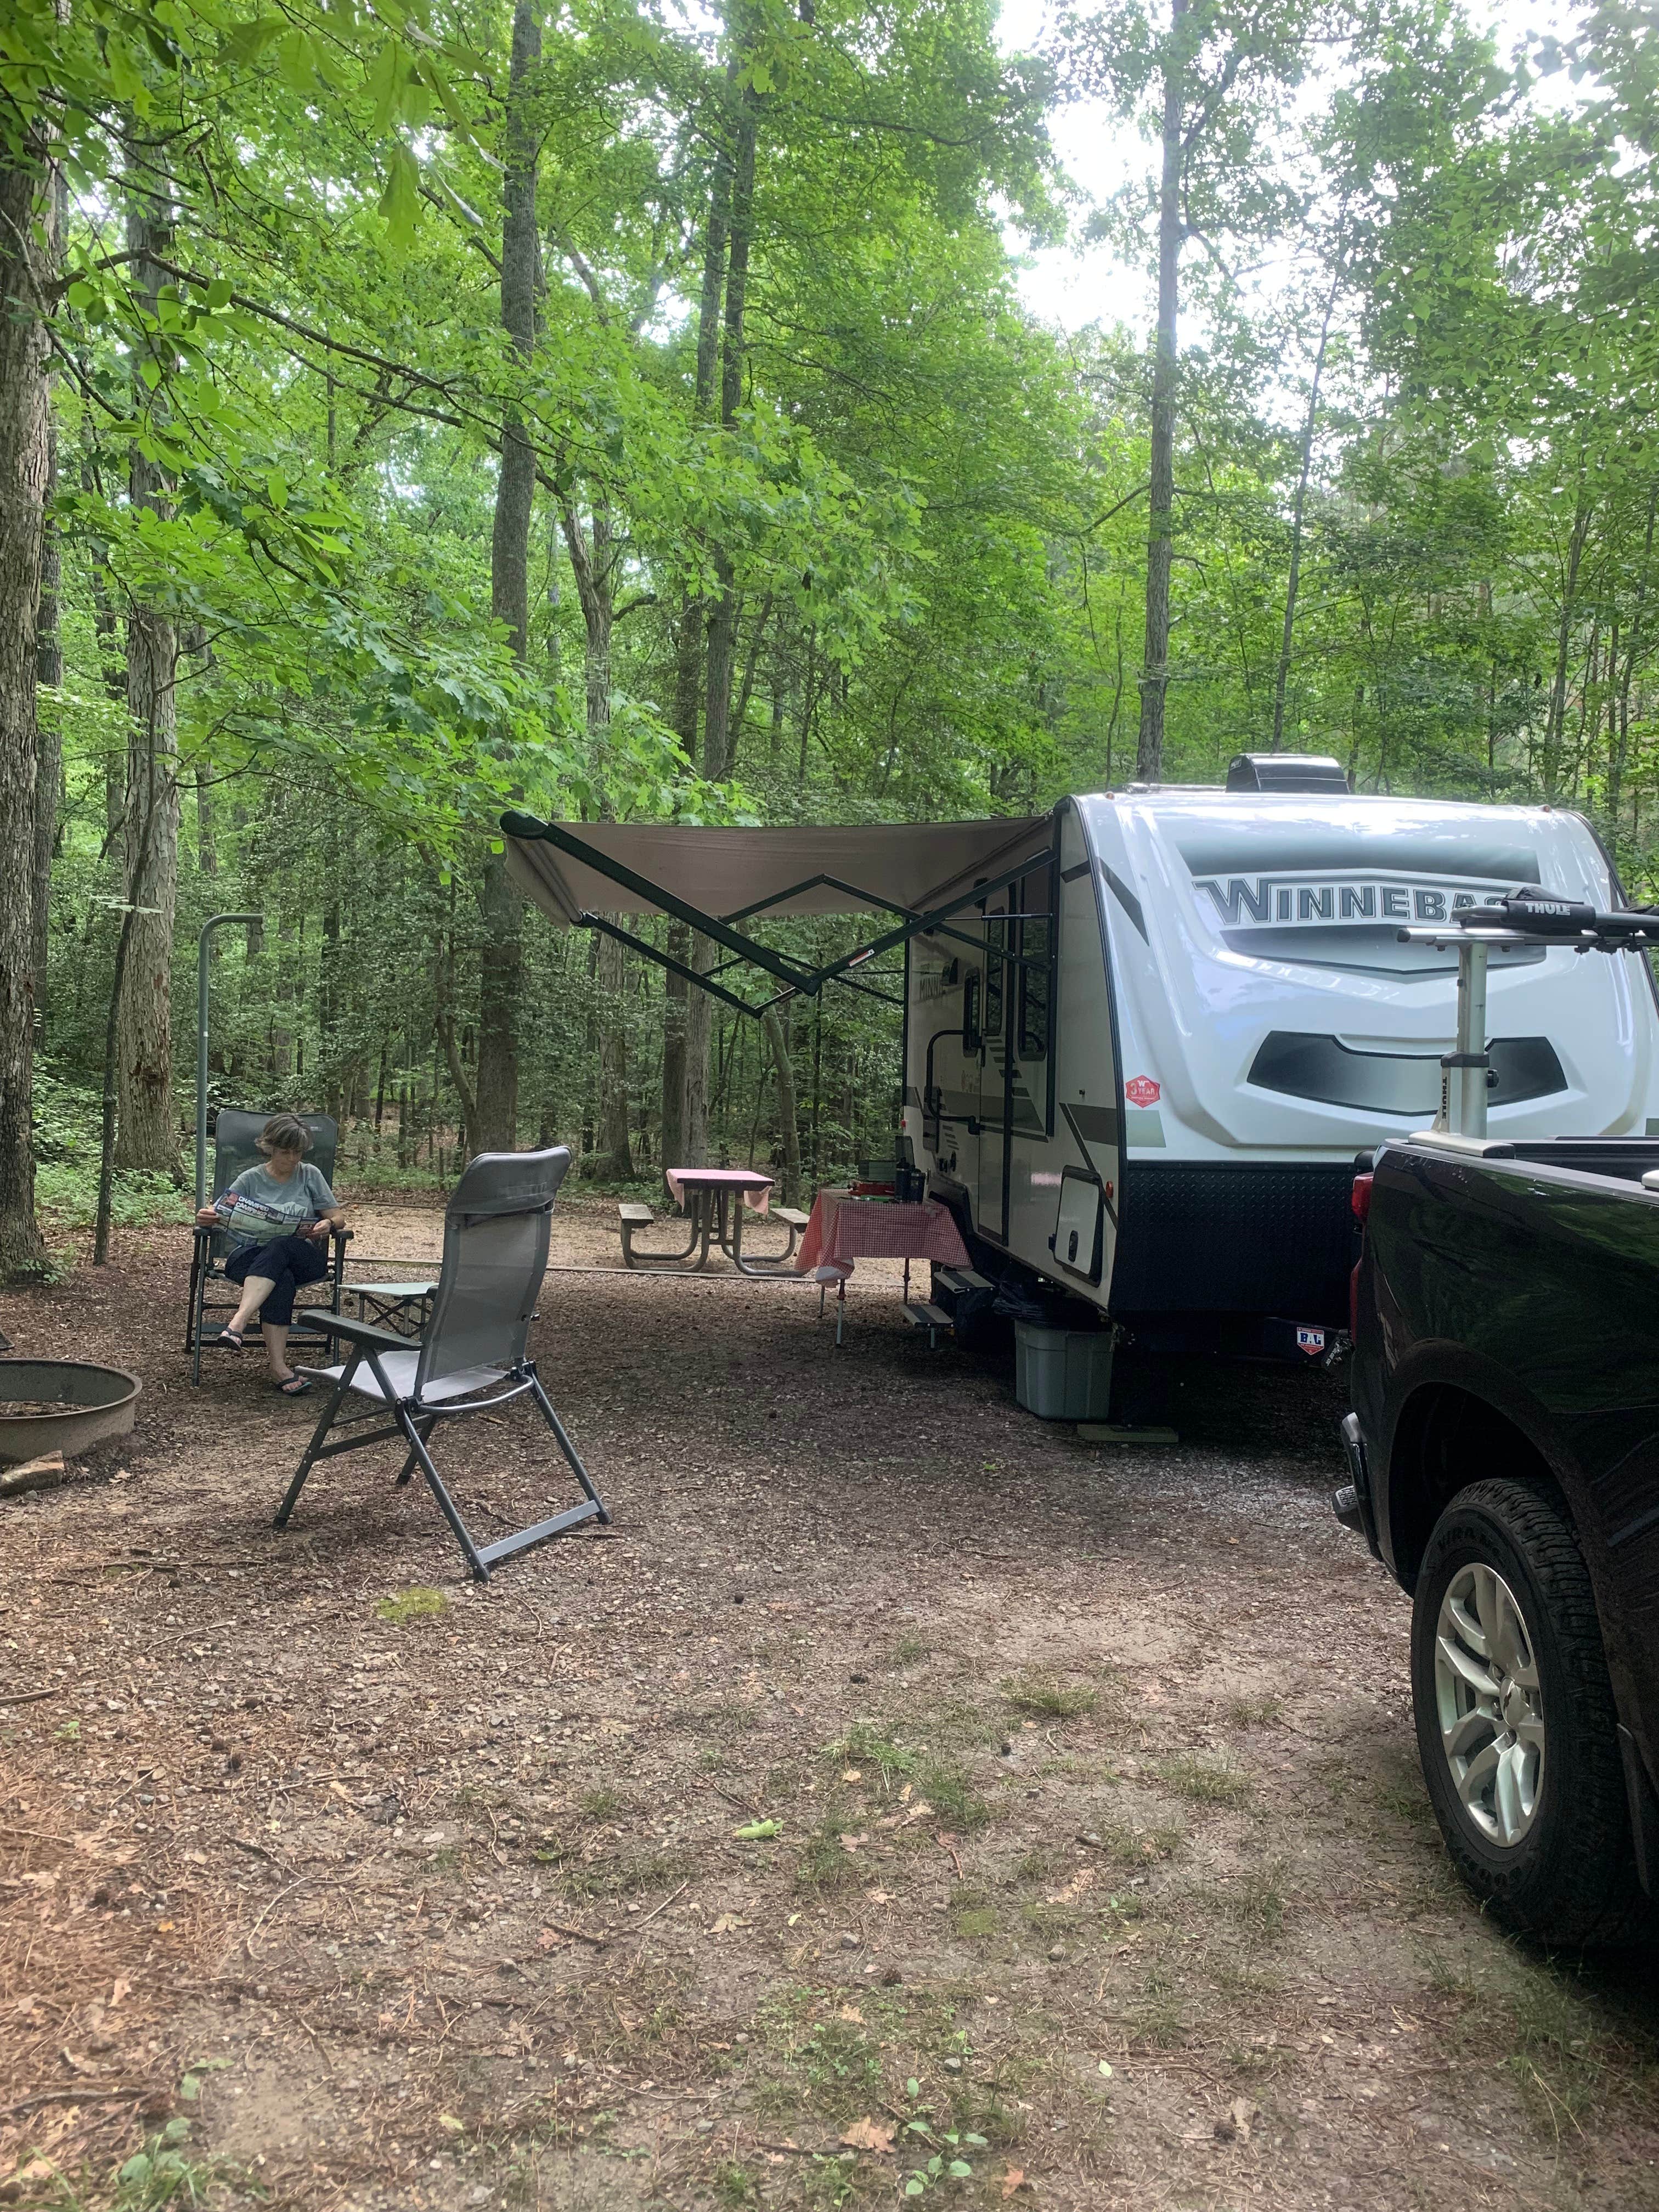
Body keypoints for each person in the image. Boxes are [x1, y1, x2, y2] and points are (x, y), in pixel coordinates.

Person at [195, 1114, 347, 1396]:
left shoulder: (310, 1174)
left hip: (301, 1256)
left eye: (298, 1152)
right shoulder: (250, 1178)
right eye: (285, 1152)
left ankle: (238, 1323)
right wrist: (207, 1216)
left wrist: (328, 1223)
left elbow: (338, 1217)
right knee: (281, 1278)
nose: (292, 1158)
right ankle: (279, 1368)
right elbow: (219, 1211)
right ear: (270, 1147)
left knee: (280, 1245)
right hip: (251, 1256)